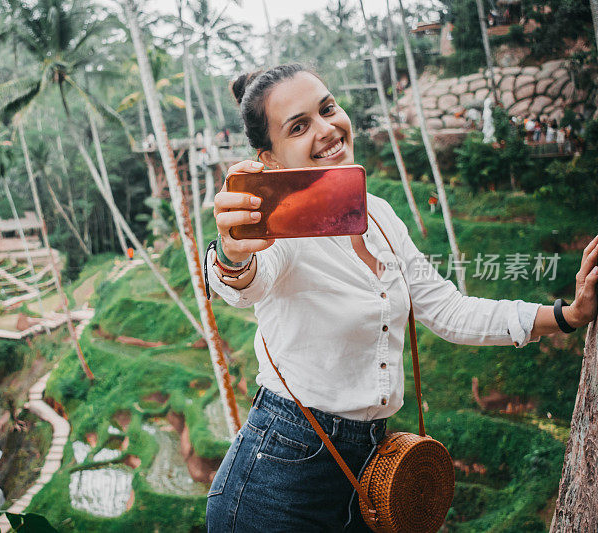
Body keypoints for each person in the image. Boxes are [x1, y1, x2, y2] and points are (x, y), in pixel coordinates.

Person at [205, 64, 598, 532]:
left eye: (328, 109)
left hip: (370, 466)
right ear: (269, 159)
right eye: (299, 126)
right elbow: (244, 281)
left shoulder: (381, 216)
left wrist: (568, 315)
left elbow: (448, 310)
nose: (327, 128)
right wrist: (230, 253)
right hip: (278, 473)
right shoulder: (281, 231)